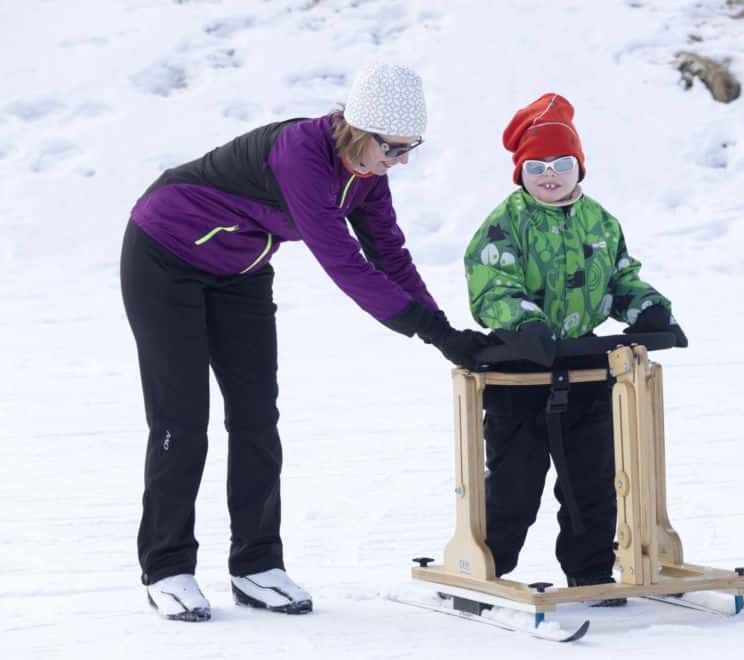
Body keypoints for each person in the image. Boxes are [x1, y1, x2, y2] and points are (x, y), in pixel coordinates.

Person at [121, 63, 489, 621]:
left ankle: (257, 562)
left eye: (411, 147)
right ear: (360, 131)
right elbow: (342, 260)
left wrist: (443, 331)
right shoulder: (300, 154)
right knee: (181, 418)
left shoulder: (367, 174)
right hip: (163, 257)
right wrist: (427, 329)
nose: (402, 160)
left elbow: (388, 254)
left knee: (255, 417)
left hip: (240, 271)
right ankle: (168, 566)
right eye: (394, 147)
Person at [463, 93, 687, 607]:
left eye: (561, 165)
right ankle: (488, 570)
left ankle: (589, 573)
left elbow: (619, 280)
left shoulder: (600, 223)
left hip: (587, 370)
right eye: (537, 166)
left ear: (578, 167)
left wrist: (646, 309)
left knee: (594, 482)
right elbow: (491, 285)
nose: (549, 175)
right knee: (515, 487)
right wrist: (526, 325)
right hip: (522, 372)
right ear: (521, 171)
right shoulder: (505, 223)